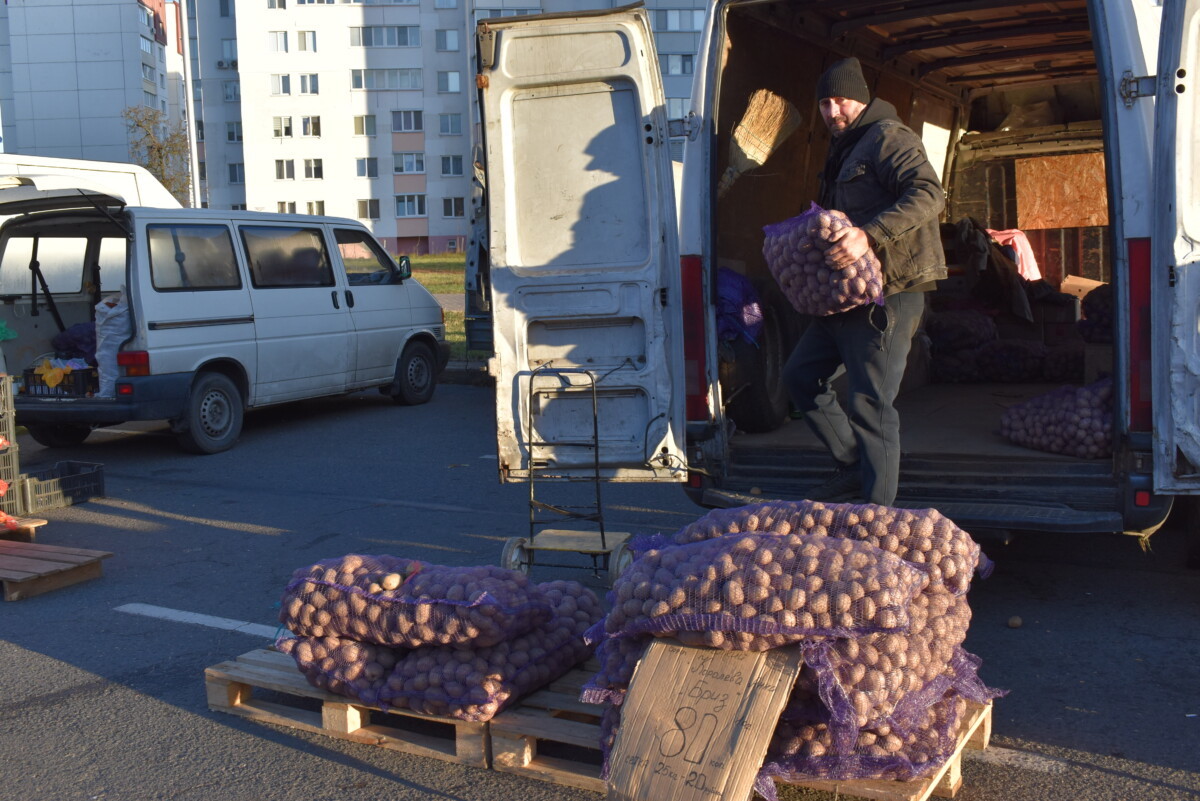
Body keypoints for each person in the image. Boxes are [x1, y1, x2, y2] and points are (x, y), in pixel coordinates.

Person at [782, 57, 946, 506]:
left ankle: (876, 523)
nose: (833, 111)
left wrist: (868, 235)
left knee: (871, 406)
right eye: (824, 104)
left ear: (861, 98)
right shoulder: (845, 148)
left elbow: (930, 193)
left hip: (889, 294)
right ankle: (853, 466)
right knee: (800, 377)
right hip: (845, 296)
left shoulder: (888, 138)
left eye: (841, 101)